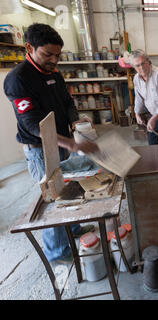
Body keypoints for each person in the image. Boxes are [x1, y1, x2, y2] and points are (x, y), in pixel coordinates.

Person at [4, 23, 98, 264]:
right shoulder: (18, 79)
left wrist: (76, 121)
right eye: (48, 54)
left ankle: (74, 229)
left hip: (63, 142)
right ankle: (57, 253)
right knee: (54, 198)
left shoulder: (54, 73)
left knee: (70, 189)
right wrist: (71, 144)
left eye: (58, 55)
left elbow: (67, 102)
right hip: (40, 151)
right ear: (29, 47)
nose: (54, 60)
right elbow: (31, 125)